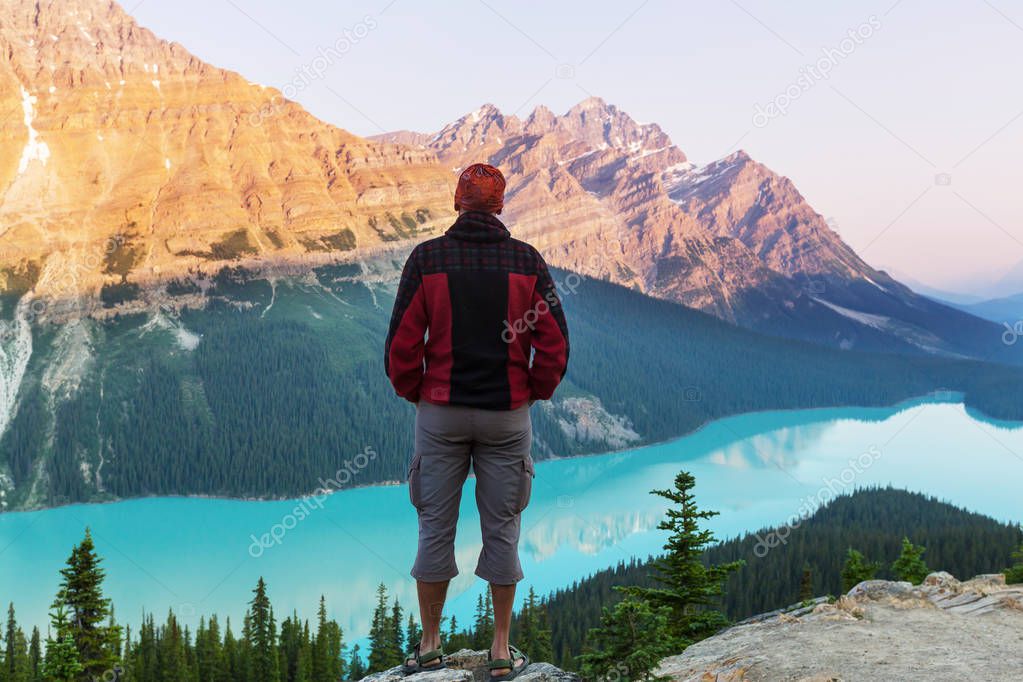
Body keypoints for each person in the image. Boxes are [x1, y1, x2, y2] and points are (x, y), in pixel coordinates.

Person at [384, 163, 569, 679]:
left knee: (434, 525)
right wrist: (533, 390)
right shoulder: (526, 261)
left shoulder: (426, 259)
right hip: (506, 416)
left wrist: (416, 393)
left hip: (440, 413)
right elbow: (554, 342)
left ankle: (428, 645)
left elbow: (402, 344)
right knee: (503, 526)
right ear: (501, 205)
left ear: (456, 201)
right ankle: (502, 651)